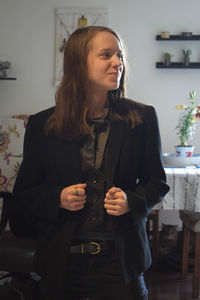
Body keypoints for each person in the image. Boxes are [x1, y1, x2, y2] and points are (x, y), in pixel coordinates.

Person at [12, 26, 169, 300]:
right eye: (106, 55)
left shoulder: (142, 118)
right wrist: (57, 198)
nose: (118, 63)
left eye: (119, 55)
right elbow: (26, 193)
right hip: (60, 263)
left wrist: (131, 200)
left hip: (121, 264)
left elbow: (157, 183)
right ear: (78, 63)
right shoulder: (41, 125)